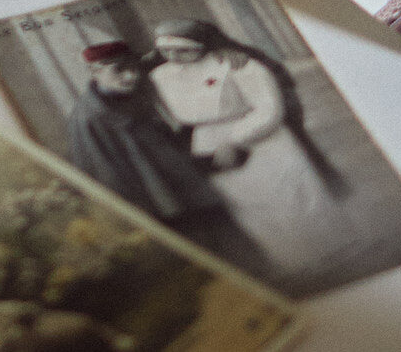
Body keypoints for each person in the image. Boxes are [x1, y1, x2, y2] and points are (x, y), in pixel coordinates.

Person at [146, 18, 349, 285]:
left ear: (203, 44)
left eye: (183, 50)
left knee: (291, 194)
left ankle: (336, 251)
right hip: (207, 144)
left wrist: (236, 140)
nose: (174, 57)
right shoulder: (159, 75)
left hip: (262, 138)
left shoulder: (237, 64)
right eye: (166, 51)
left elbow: (268, 108)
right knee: (250, 207)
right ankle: (297, 264)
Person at [65, 42, 268, 277]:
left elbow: (169, 154)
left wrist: (212, 161)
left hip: (192, 199)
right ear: (94, 72)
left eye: (134, 68)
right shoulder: (91, 120)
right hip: (163, 215)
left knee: (245, 262)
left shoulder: (133, 96)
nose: (131, 76)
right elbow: (108, 184)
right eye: (119, 70)